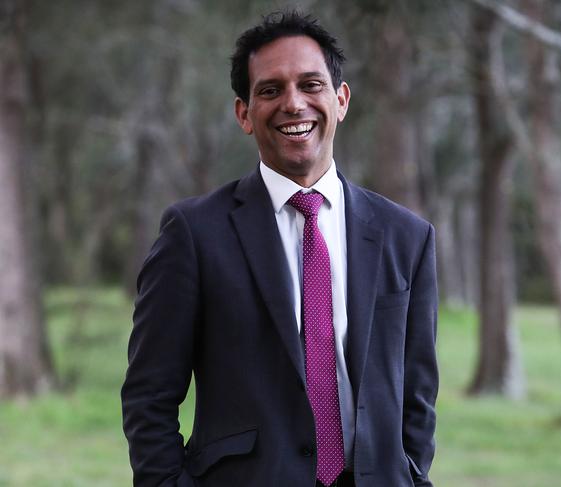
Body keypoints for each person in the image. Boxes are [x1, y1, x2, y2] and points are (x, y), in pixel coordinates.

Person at [121, 11, 438, 487]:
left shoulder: (406, 235)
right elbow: (150, 395)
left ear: (341, 99)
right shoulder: (194, 232)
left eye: (311, 85)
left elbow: (418, 396)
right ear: (244, 114)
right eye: (270, 90)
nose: (294, 104)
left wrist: (410, 475)